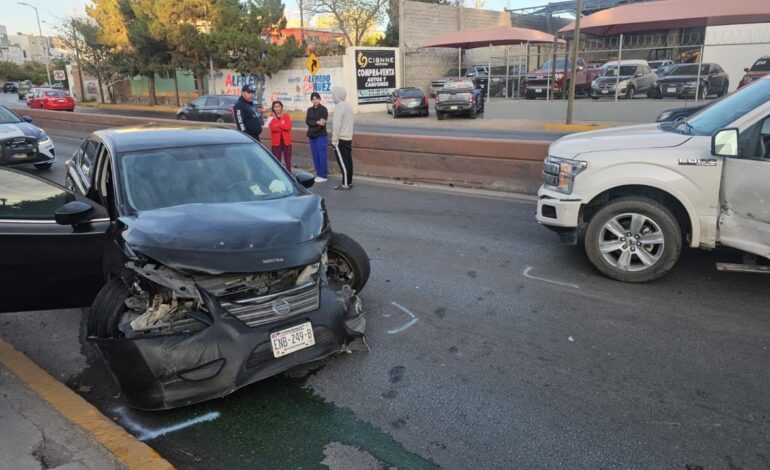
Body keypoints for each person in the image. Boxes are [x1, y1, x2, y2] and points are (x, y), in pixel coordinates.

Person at [331, 87, 354, 190]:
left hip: (341, 139)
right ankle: (349, 182)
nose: (332, 96)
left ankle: (345, 184)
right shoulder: (348, 106)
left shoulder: (339, 107)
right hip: (348, 138)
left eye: (333, 94)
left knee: (343, 163)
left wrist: (334, 140)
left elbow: (336, 125)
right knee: (348, 161)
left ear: (337, 95)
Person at [305, 92, 328, 182]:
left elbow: (322, 123)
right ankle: (318, 174)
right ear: (311, 100)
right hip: (312, 136)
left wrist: (314, 124)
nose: (315, 100)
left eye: (317, 98)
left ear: (319, 99)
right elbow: (307, 121)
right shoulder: (309, 110)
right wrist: (316, 122)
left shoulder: (323, 109)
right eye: (313, 99)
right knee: (315, 156)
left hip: (320, 136)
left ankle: (323, 175)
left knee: (322, 156)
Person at [268, 100, 292, 169]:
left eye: (278, 106)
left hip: (286, 142)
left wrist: (278, 124)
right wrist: (282, 125)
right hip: (276, 143)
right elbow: (273, 129)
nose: (277, 108)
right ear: (273, 108)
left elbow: (288, 127)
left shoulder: (286, 116)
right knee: (276, 161)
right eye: (275, 107)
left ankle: (289, 175)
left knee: (288, 161)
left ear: (281, 107)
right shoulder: (270, 117)